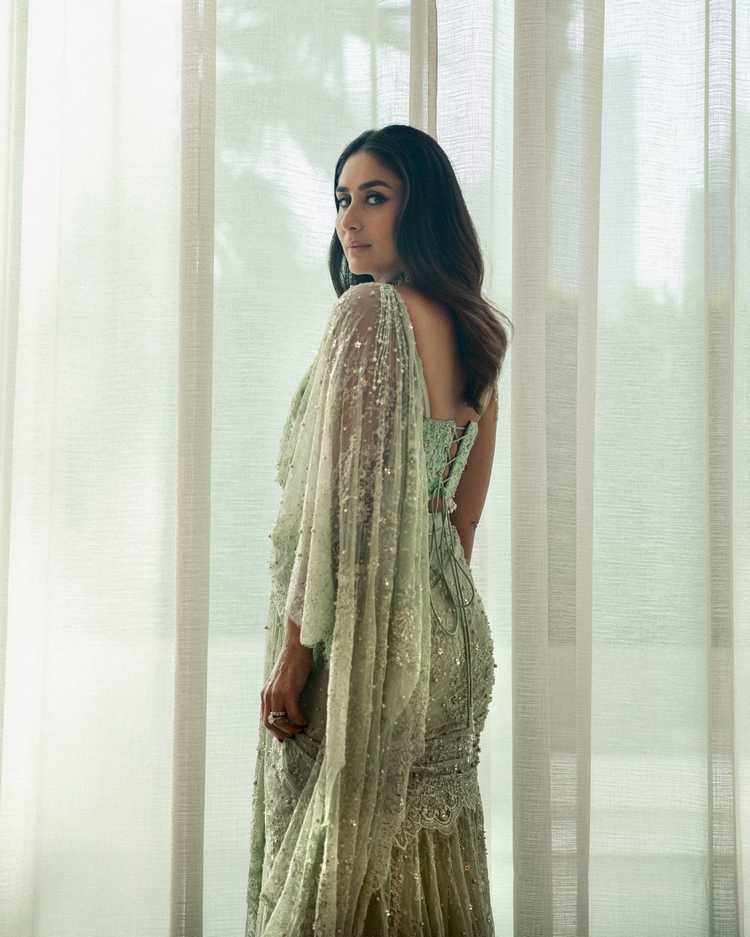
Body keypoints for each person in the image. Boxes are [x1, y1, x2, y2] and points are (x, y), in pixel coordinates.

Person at [245, 124, 512, 937]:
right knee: (419, 863)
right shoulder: (476, 332)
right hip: (450, 636)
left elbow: (342, 507)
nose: (350, 220)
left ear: (418, 207)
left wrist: (298, 649)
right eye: (341, 199)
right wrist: (430, 628)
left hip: (367, 636)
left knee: (342, 867)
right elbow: (462, 518)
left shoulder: (370, 313)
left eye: (375, 197)